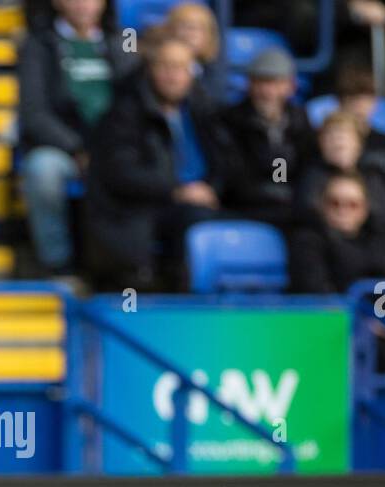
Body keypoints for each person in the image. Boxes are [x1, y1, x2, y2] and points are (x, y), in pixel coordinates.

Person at [85, 33, 226, 291]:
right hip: (143, 209)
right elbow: (121, 172)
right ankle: (183, 302)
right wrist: (177, 190)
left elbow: (226, 161)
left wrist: (212, 188)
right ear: (151, 69)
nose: (173, 76)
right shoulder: (125, 112)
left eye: (181, 68)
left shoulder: (203, 110)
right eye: (166, 67)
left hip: (201, 201)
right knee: (196, 220)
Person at [16, 0, 131, 275]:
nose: (83, 5)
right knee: (43, 171)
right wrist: (77, 148)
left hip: (115, 148)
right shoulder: (37, 45)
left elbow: (133, 107)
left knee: (143, 168)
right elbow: (34, 114)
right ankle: (58, 265)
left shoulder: (122, 44)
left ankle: (125, 268)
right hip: (61, 149)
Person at [217, 48, 314, 228]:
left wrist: (287, 188)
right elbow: (232, 174)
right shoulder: (230, 120)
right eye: (261, 82)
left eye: (275, 83)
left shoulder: (300, 121)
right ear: (249, 85)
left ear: (291, 87)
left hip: (291, 205)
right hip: (245, 206)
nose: (267, 91)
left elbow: (306, 166)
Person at [289, 170, 385, 294]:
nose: (343, 210)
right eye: (334, 203)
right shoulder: (306, 242)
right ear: (322, 205)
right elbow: (315, 292)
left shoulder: (379, 241)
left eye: (352, 204)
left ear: (364, 209)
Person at [295, 110, 385, 234]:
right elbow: (308, 214)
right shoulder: (311, 176)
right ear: (321, 144)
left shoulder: (372, 176)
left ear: (359, 144)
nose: (339, 143)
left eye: (345, 137)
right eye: (331, 138)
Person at [162, 2, 228, 113]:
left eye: (196, 28)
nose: (190, 34)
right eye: (183, 26)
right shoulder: (157, 68)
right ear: (170, 30)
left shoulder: (211, 71)